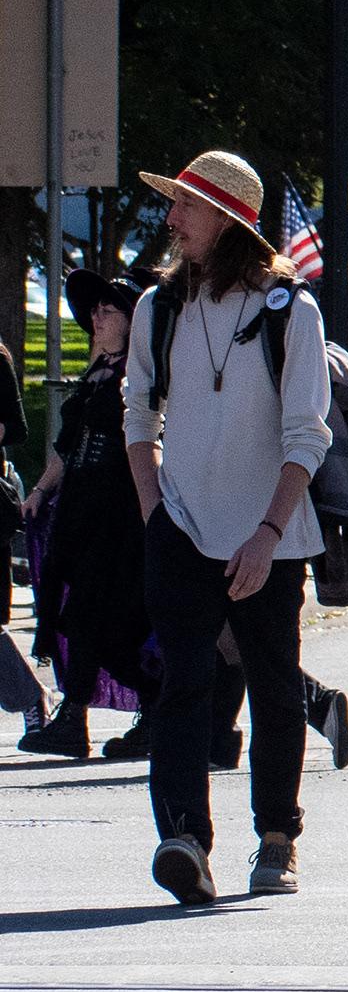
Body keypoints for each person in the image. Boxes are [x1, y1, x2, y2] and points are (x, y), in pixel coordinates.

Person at [120, 152, 331, 905]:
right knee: (184, 683)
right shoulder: (160, 308)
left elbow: (308, 437)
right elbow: (139, 415)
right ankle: (184, 838)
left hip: (269, 537)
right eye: (173, 205)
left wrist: (268, 534)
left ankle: (277, 838)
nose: (172, 220)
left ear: (229, 223)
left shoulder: (289, 312)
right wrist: (155, 514)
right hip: (178, 524)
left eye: (186, 207)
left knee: (274, 690)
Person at [19, 273, 156, 762]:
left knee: (94, 623)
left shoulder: (139, 374)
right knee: (87, 622)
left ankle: (79, 718)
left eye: (109, 309)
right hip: (81, 510)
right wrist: (38, 492)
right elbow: (65, 448)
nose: (96, 316)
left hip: (119, 513)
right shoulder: (95, 374)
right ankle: (147, 713)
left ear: (133, 320)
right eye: (94, 309)